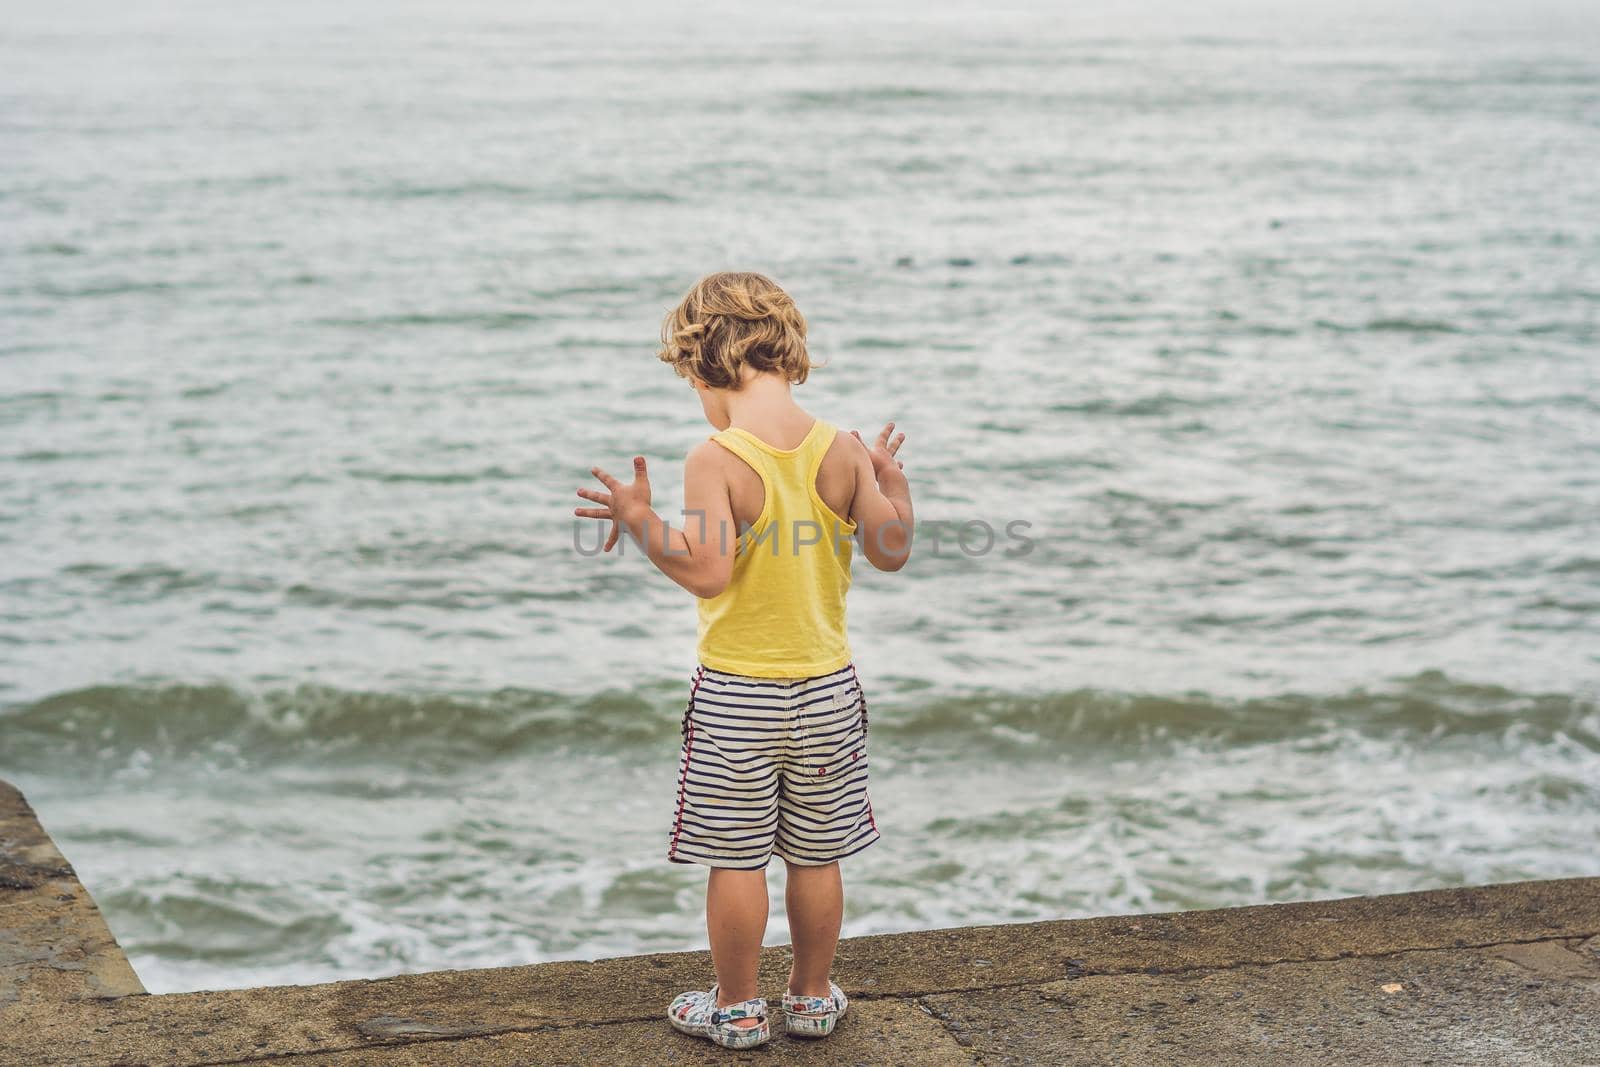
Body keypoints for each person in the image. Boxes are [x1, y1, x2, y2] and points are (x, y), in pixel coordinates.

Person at [574, 271, 915, 1049]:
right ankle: (813, 995)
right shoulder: (842, 448)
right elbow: (891, 550)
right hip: (829, 689)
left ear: (704, 367)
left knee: (735, 857)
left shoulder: (716, 456)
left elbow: (708, 571)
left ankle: (735, 1007)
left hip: (738, 694)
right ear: (787, 355)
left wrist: (637, 519)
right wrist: (894, 486)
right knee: (817, 849)